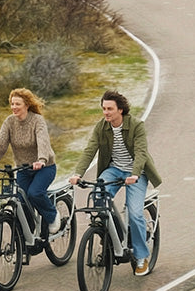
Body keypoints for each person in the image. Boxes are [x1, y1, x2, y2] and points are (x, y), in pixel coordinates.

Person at [68, 90, 162, 276]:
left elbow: (141, 153)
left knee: (135, 213)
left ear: (120, 110)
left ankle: (141, 256)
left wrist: (135, 174)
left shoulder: (136, 125)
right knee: (98, 197)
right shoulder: (101, 127)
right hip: (114, 170)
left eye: (110, 109)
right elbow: (90, 150)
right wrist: (78, 173)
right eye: (104, 109)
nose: (106, 112)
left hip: (136, 172)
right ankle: (112, 237)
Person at [0, 88, 61, 235]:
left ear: (27, 105)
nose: (14, 107)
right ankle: (28, 238)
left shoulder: (37, 120)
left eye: (18, 104)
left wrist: (41, 160)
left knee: (34, 193)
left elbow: (43, 141)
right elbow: (0, 144)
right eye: (12, 104)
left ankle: (52, 216)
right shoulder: (9, 122)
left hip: (44, 167)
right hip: (23, 169)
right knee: (21, 203)